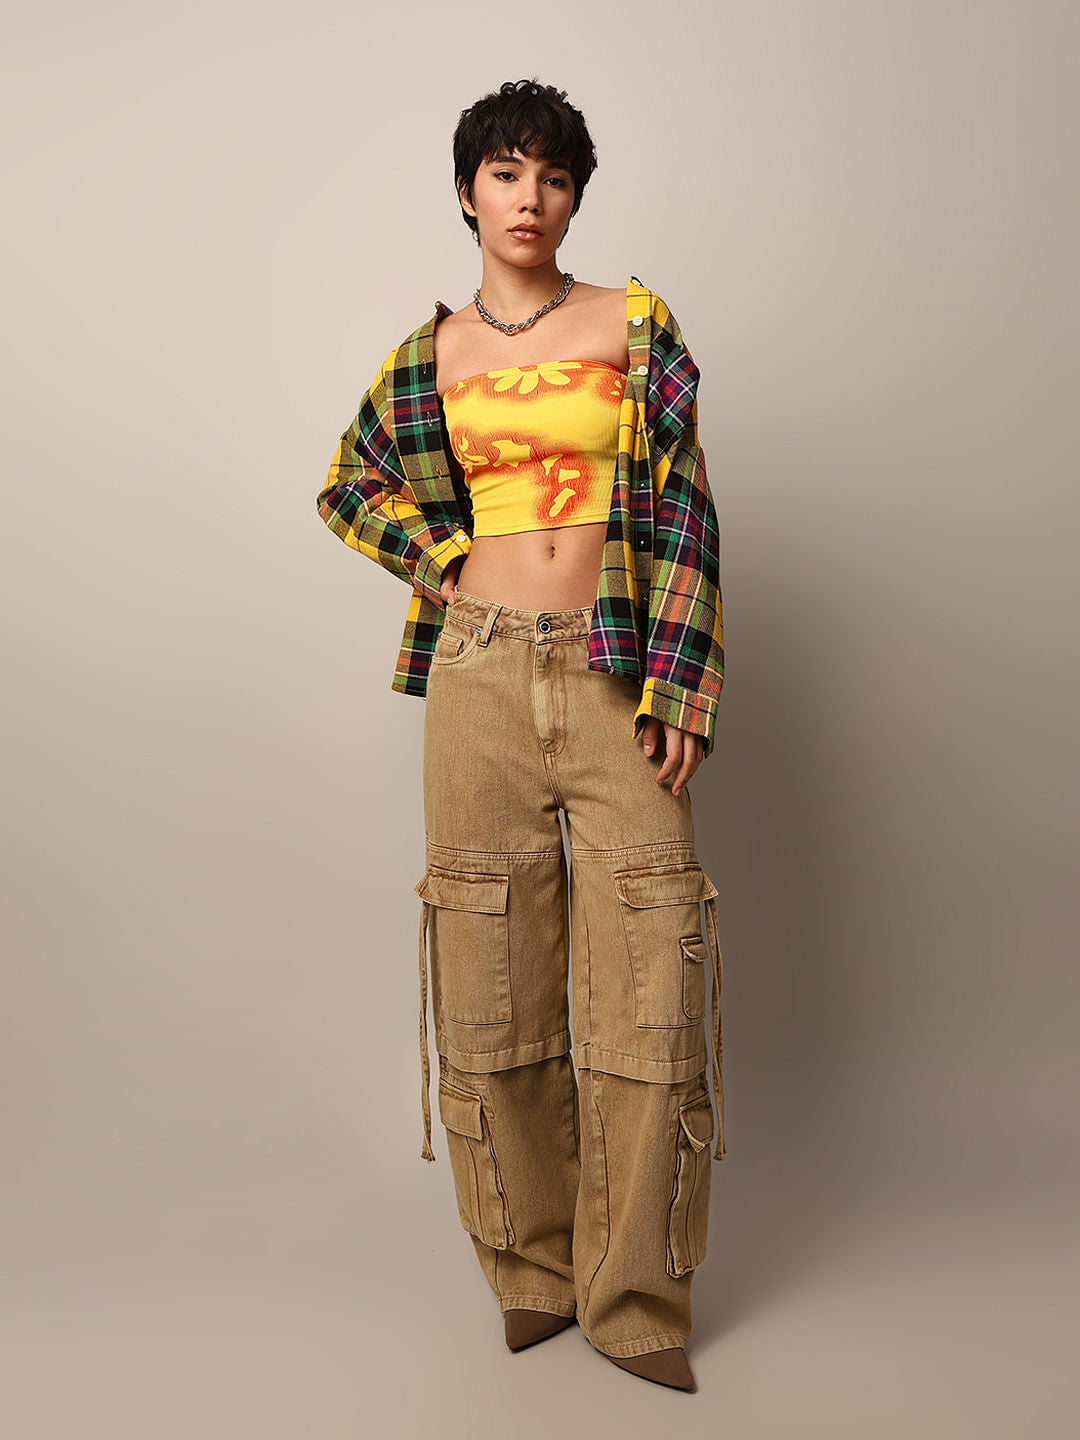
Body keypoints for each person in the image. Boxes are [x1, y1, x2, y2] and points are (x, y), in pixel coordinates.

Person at [316, 78, 726, 1392]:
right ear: (467, 192)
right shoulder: (425, 356)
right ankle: (532, 1274)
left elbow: (685, 507)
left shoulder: (633, 324)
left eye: (552, 176)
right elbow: (347, 483)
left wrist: (682, 686)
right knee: (490, 973)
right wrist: (446, 560)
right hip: (481, 675)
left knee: (649, 979)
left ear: (574, 195)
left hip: (614, 669)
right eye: (505, 173)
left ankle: (636, 1297)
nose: (529, 199)